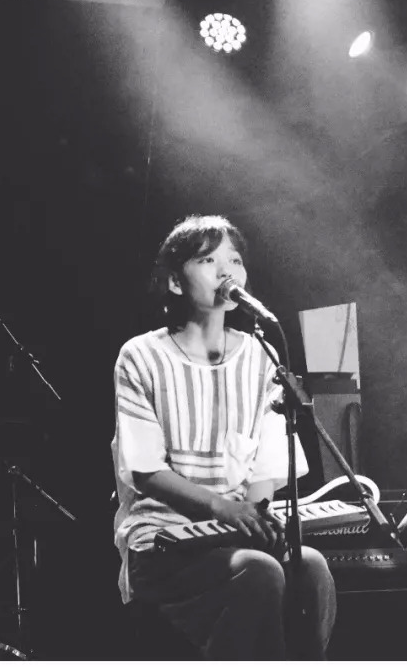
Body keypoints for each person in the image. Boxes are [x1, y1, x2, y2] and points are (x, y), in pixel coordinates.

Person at [110, 215, 336, 660]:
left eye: (234, 260)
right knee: (258, 572)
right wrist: (225, 510)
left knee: (311, 568)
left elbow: (266, 466)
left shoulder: (261, 356)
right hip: (163, 542)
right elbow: (146, 470)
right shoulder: (141, 356)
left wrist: (256, 516)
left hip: (233, 534)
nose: (226, 270)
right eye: (207, 260)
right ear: (175, 282)